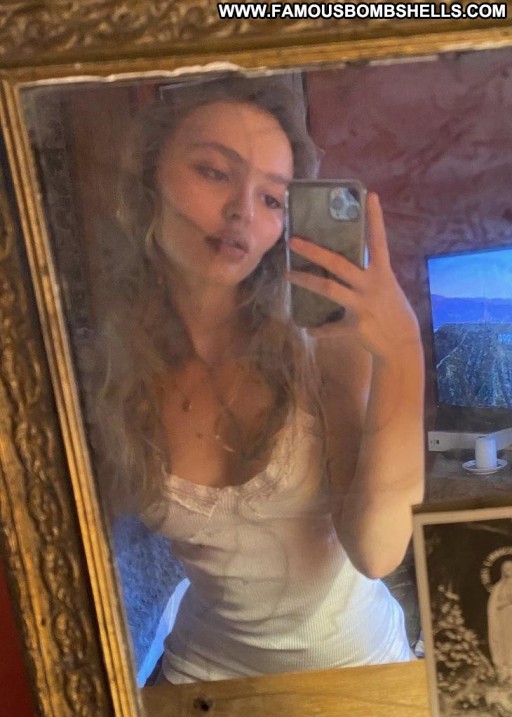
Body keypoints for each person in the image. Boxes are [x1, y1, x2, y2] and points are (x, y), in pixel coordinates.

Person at [93, 74, 425, 684]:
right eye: (214, 172)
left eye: (273, 199)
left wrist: (402, 353)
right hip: (203, 673)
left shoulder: (322, 344)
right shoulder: (110, 363)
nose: (242, 212)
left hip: (357, 669)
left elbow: (377, 550)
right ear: (149, 177)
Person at [488, 559, 512, 683]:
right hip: (502, 618)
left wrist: (505, 603)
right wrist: (503, 604)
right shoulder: (498, 587)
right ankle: (503, 668)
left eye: (510, 568)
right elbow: (493, 605)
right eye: (506, 569)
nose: (508, 571)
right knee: (503, 640)